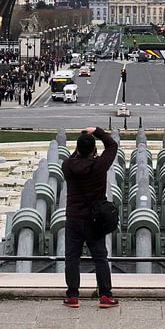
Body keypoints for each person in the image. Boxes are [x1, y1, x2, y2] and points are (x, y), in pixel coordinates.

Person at [62, 127, 119, 309]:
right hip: (94, 219)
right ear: (94, 150)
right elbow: (112, 145)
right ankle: (104, 295)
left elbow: (74, 158)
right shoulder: (99, 166)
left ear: (77, 149)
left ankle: (72, 296)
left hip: (73, 218)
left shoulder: (67, 165)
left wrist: (82, 144)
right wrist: (96, 131)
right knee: (100, 258)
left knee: (72, 258)